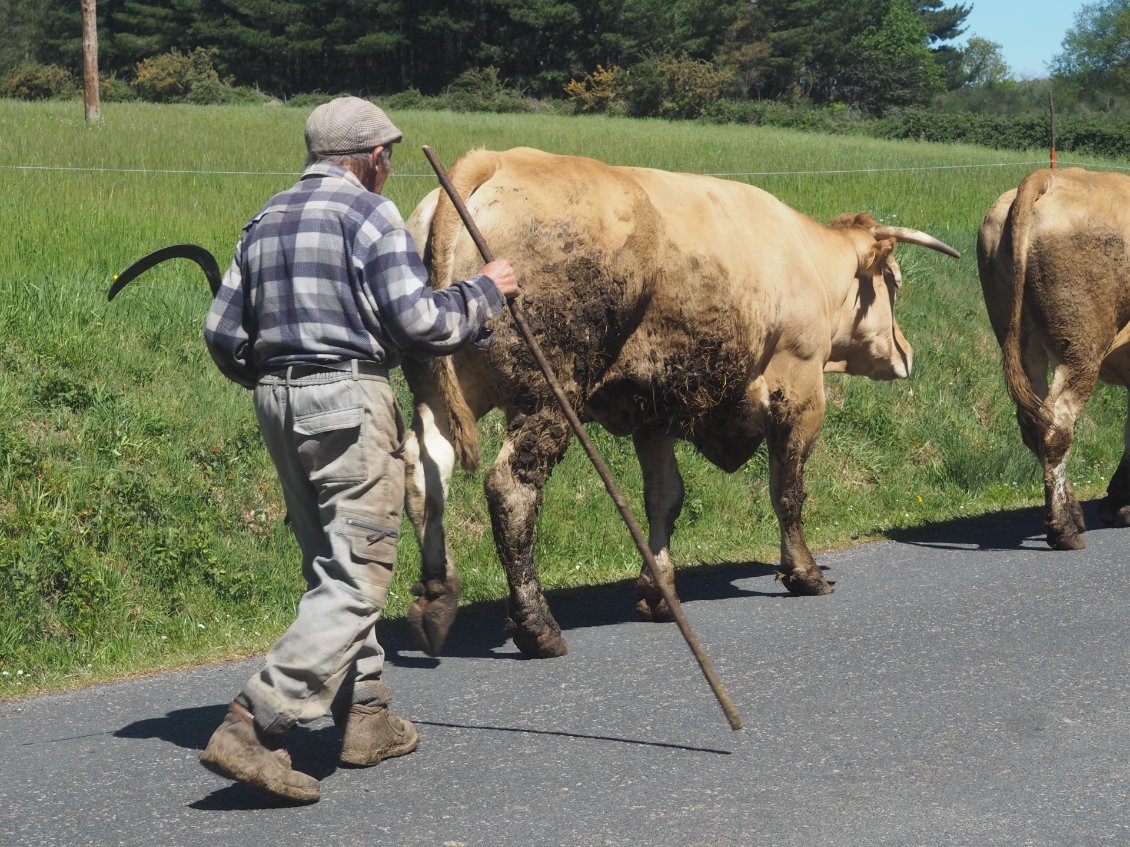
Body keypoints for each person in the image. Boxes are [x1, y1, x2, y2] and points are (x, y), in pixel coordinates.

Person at [198, 96, 518, 803]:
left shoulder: (265, 218)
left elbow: (221, 332)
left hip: (278, 403)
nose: (390, 167)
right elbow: (416, 322)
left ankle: (364, 711)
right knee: (359, 575)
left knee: (329, 565)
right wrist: (485, 295)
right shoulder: (371, 215)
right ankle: (252, 723)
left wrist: (276, 374)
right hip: (349, 399)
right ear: (373, 160)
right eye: (389, 156)